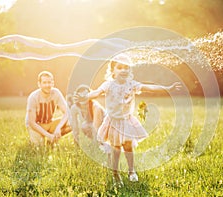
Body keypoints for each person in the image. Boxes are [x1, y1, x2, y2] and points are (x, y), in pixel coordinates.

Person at [77, 53, 181, 186]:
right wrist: (85, 97)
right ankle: (116, 174)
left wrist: (167, 88)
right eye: (120, 67)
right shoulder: (108, 84)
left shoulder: (132, 84)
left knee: (128, 146)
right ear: (113, 71)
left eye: (126, 67)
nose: (124, 70)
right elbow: (96, 93)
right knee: (115, 149)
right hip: (113, 122)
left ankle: (132, 171)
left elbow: (149, 87)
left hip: (127, 121)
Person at [25, 71, 71, 146]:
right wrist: (48, 135)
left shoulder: (56, 93)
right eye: (44, 82)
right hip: (36, 126)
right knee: (39, 148)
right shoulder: (33, 97)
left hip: (48, 123)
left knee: (72, 122)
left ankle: (51, 140)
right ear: (39, 84)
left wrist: (58, 128)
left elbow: (67, 112)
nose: (47, 85)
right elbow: (31, 122)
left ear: (53, 83)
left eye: (49, 82)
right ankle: (36, 139)